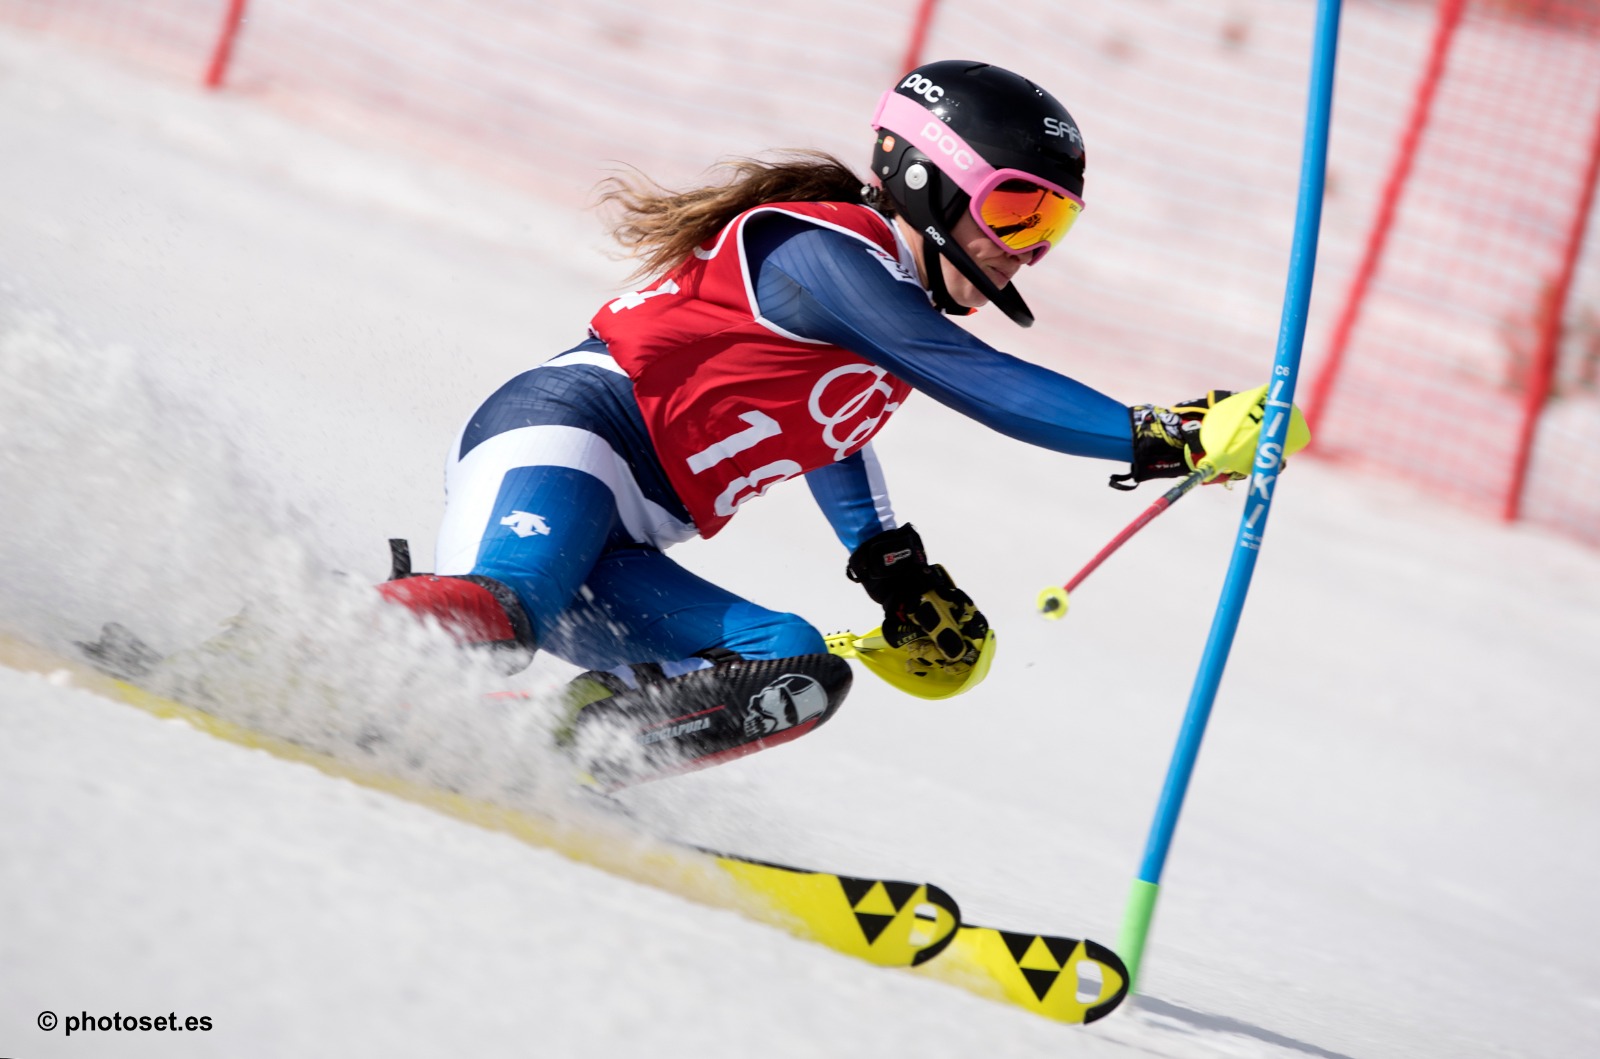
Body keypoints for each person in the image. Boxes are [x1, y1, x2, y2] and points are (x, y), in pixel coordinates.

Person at [376, 59, 1252, 789]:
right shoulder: (825, 251)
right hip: (569, 438)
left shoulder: (885, 314)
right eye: (1016, 209)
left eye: (1053, 224)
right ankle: (308, 623)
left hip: (633, 536)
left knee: (792, 666)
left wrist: (895, 573)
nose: (1027, 247)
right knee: (508, 614)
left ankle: (548, 758)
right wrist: (1163, 434)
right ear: (927, 177)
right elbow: (980, 380)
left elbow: (832, 425)